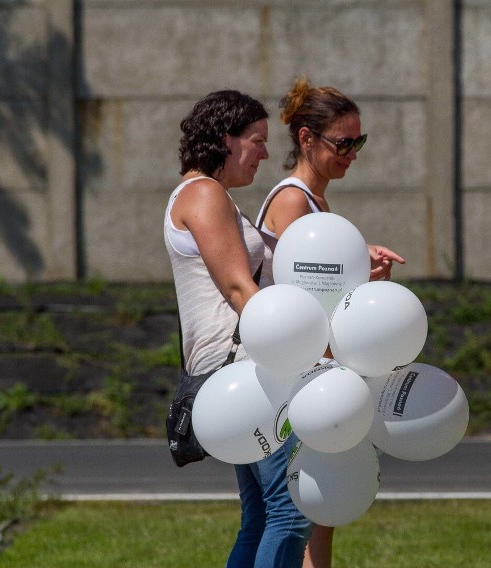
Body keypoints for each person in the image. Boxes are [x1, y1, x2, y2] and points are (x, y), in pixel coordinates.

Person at [255, 76, 404, 568]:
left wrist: (364, 272)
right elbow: (304, 298)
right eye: (343, 143)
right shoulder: (294, 200)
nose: (352, 153)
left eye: (358, 142)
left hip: (310, 371)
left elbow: (324, 291)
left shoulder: (316, 204)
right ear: (306, 139)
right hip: (296, 377)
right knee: (299, 516)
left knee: (313, 516)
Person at [164, 89, 312, 568]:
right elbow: (237, 290)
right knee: (289, 510)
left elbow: (276, 256)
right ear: (224, 139)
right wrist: (297, 350)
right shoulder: (204, 194)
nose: (266, 154)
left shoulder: (209, 196)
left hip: (237, 371)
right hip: (245, 371)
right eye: (257, 140)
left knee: (262, 515)